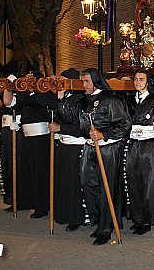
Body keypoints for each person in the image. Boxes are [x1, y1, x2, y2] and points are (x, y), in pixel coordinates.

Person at [77, 68, 130, 245]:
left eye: (86, 82)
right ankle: (99, 221)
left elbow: (124, 124)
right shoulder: (85, 100)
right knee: (87, 183)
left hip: (108, 149)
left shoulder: (110, 100)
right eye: (82, 81)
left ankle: (106, 228)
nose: (83, 85)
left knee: (107, 187)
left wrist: (104, 134)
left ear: (96, 81)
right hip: (90, 147)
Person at [3, 74, 56, 220]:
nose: (28, 82)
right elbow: (9, 103)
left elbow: (45, 102)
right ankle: (32, 202)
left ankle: (43, 206)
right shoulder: (23, 95)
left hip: (41, 137)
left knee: (41, 172)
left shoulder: (45, 93)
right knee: (30, 171)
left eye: (31, 80)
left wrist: (33, 90)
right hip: (26, 136)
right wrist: (9, 85)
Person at [125, 69, 154, 235]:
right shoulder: (129, 100)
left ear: (148, 81)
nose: (137, 82)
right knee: (133, 180)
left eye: (141, 79)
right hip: (133, 144)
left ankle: (148, 219)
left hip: (149, 145)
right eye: (135, 79)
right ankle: (137, 218)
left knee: (148, 182)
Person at [54, 68, 87, 231]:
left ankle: (76, 217)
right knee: (63, 181)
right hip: (63, 145)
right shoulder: (61, 98)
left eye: (62, 81)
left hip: (77, 146)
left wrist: (61, 128)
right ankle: (64, 213)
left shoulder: (80, 99)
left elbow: (80, 127)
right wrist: (59, 100)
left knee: (75, 183)